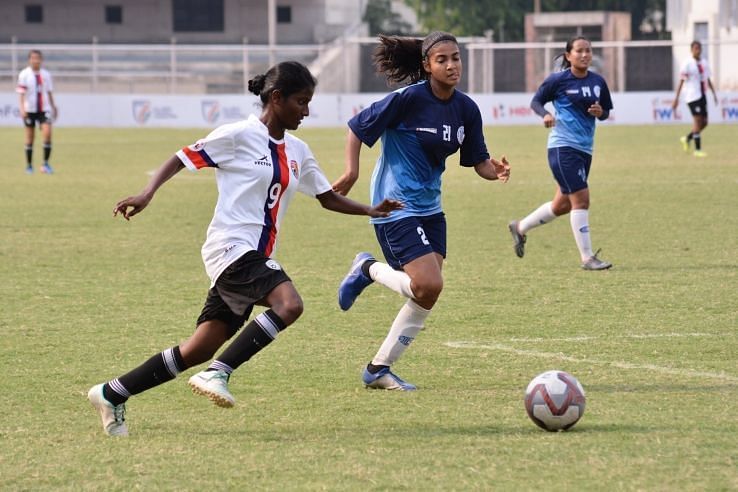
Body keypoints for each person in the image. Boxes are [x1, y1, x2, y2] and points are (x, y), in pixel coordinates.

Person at [87, 61, 402, 436]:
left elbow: (327, 197)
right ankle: (219, 373)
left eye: (309, 102)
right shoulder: (237, 136)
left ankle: (112, 393)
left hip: (254, 256)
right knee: (290, 305)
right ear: (276, 98)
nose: (306, 111)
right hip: (230, 248)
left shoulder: (298, 150)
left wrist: (370, 208)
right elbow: (181, 157)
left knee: (199, 347)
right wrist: (147, 192)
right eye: (301, 102)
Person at [332, 32, 510, 391]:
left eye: (456, 58)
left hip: (431, 208)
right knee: (429, 283)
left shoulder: (466, 108)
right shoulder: (407, 100)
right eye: (442, 59)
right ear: (427, 65)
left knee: (426, 292)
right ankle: (366, 268)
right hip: (394, 204)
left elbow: (477, 162)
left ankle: (378, 369)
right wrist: (351, 172)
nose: (451, 65)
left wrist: (496, 171)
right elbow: (357, 128)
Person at [508, 36, 613, 271]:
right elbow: (536, 102)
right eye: (579, 51)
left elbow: (605, 112)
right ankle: (587, 258)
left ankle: (520, 227)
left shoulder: (598, 81)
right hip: (562, 147)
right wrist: (544, 114)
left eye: (588, 50)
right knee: (581, 199)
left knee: (562, 205)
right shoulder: (558, 80)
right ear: (568, 55)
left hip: (585, 149)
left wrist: (600, 112)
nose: (585, 55)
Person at [672, 40, 718, 158]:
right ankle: (698, 150)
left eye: (699, 48)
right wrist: (676, 99)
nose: (698, 50)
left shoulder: (704, 63)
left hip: (702, 95)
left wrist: (713, 94)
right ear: (691, 50)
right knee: (697, 122)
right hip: (692, 96)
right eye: (696, 48)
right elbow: (681, 81)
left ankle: (687, 138)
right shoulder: (687, 63)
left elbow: (707, 79)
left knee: (705, 123)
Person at [16, 49, 58, 174]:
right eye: (33, 58)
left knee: (47, 134)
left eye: (38, 58)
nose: (36, 60)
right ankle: (29, 166)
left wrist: (53, 106)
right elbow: (21, 94)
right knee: (30, 138)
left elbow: (49, 92)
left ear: (41, 60)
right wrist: (22, 109)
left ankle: (45, 164)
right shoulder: (24, 74)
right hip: (30, 110)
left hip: (44, 109)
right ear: (30, 60)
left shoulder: (46, 75)